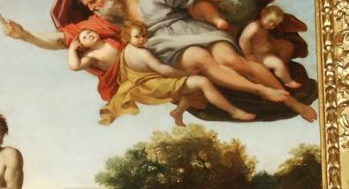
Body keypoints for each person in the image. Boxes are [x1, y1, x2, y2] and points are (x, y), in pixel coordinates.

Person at [1, 0, 317, 122]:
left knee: (234, 60)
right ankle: (262, 91)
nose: (93, 9)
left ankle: (293, 103)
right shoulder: (107, 20)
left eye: (94, 1)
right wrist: (25, 35)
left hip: (189, 29)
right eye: (89, 6)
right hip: (165, 45)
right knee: (204, 62)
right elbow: (62, 39)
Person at [99, 22, 256, 126]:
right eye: (137, 37)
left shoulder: (127, 50)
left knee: (190, 86)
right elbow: (163, 69)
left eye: (144, 36)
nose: (142, 39)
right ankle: (234, 112)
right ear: (127, 37)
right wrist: (185, 72)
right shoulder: (143, 53)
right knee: (202, 82)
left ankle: (177, 112)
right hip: (154, 87)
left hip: (146, 84)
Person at [239, 4, 301, 89]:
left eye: (274, 25)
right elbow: (243, 40)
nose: (271, 25)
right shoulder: (254, 26)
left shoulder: (264, 27)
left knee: (287, 46)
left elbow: (264, 38)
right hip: (258, 57)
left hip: (266, 52)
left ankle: (282, 69)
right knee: (278, 64)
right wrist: (248, 54)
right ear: (263, 15)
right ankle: (288, 82)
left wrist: (273, 43)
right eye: (270, 21)